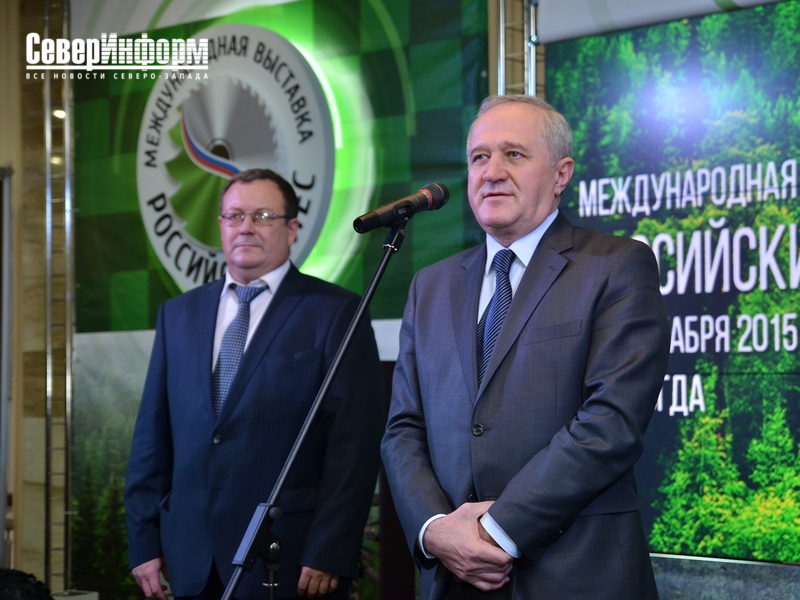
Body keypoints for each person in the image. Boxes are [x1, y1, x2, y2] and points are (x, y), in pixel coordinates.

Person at [381, 95, 670, 599]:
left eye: (513, 154)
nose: (491, 172)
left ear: (561, 175)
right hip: (453, 576)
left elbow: (611, 422)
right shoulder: (431, 285)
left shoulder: (616, 266)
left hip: (576, 573)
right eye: (479, 157)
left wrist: (493, 532)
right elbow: (403, 428)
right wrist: (435, 530)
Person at [124, 168, 384, 600]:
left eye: (263, 216)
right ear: (221, 226)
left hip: (288, 559)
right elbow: (152, 439)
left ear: (292, 229)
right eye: (234, 216)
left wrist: (330, 549)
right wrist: (144, 541)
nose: (245, 227)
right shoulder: (178, 314)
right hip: (187, 557)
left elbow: (354, 447)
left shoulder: (336, 312)